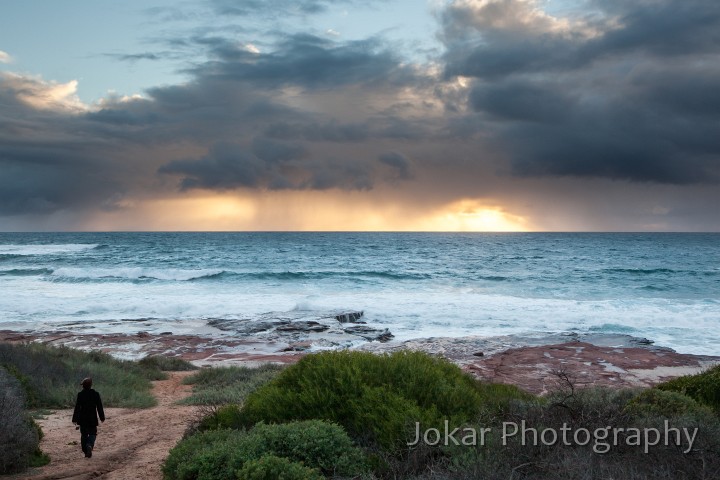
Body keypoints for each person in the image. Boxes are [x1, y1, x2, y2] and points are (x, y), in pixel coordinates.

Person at [71, 377, 105, 458]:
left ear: (83, 386)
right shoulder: (95, 394)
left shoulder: (80, 395)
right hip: (92, 418)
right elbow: (99, 407)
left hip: (82, 419)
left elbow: (77, 407)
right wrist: (102, 417)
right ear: (91, 385)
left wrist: (74, 419)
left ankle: (85, 450)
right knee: (93, 433)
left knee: (84, 434)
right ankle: (89, 445)